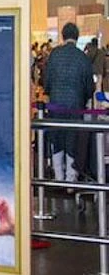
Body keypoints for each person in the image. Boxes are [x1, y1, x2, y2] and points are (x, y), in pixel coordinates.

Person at [44, 23, 94, 187]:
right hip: (75, 105)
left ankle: (58, 177)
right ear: (77, 37)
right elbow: (89, 87)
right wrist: (84, 97)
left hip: (56, 104)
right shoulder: (82, 57)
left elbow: (47, 83)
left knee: (57, 138)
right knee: (73, 139)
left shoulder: (54, 55)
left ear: (63, 36)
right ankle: (71, 180)